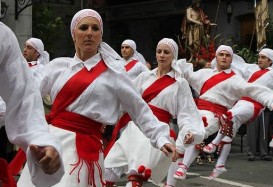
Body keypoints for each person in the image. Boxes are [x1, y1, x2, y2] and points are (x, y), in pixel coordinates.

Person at [17, 9, 177, 187]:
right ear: (73, 34)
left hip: (83, 151)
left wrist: (160, 137)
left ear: (101, 35)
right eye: (83, 28)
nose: (89, 33)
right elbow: (27, 99)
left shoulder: (115, 74)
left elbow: (139, 110)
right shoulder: (57, 66)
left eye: (95, 29)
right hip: (50, 144)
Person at [104, 38, 205, 187]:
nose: (162, 55)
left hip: (157, 131)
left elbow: (187, 111)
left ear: (173, 56)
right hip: (134, 129)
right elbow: (127, 99)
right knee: (108, 170)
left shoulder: (180, 83)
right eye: (159, 52)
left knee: (136, 177)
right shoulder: (144, 77)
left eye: (166, 52)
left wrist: (190, 132)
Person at [172, 45, 273, 181]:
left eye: (227, 55)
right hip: (196, 110)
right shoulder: (204, 73)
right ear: (216, 57)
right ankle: (173, 177)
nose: (224, 57)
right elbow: (188, 75)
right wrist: (175, 62)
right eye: (221, 54)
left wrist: (271, 102)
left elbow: (252, 89)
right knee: (181, 141)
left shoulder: (235, 79)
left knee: (197, 132)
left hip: (215, 115)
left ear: (231, 60)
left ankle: (183, 167)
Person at [203, 48, 273, 178]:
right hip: (242, 100)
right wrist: (214, 64)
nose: (260, 59)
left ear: (270, 61)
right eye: (259, 57)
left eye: (263, 58)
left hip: (255, 104)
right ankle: (220, 165)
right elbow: (236, 65)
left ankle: (213, 144)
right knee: (229, 132)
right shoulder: (251, 68)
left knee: (229, 115)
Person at [0, 21, 63, 186]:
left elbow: (24, 95)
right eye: (25, 46)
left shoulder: (4, 37)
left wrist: (41, 139)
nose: (25, 49)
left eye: (29, 47)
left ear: (37, 52)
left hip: (29, 114)